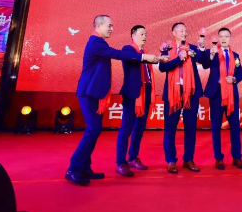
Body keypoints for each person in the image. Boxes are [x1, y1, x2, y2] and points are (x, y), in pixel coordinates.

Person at [66, 16, 159, 186]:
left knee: (95, 130)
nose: (111, 29)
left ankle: (84, 167)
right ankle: (74, 168)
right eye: (109, 26)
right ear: (99, 25)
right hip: (88, 92)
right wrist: (143, 57)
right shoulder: (96, 42)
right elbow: (117, 54)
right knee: (93, 129)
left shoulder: (99, 42)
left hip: (94, 92)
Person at [158, 22, 210, 173]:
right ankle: (171, 160)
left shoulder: (192, 48)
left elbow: (203, 61)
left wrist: (202, 48)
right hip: (172, 93)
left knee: (191, 127)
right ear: (173, 32)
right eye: (181, 30)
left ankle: (188, 159)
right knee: (170, 127)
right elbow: (162, 67)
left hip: (191, 92)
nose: (184, 33)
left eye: (185, 31)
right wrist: (178, 59)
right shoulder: (167, 48)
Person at [115, 25, 166, 177]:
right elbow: (132, 58)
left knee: (139, 128)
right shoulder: (128, 50)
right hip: (133, 95)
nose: (144, 36)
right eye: (141, 34)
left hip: (146, 93)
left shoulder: (144, 52)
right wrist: (147, 58)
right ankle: (121, 162)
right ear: (133, 35)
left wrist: (159, 58)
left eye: (146, 34)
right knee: (126, 129)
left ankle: (133, 157)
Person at [202, 27, 242, 170]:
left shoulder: (236, 55)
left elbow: (240, 74)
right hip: (216, 94)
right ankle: (218, 158)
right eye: (221, 36)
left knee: (235, 127)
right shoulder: (212, 51)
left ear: (230, 38)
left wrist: (234, 79)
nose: (223, 39)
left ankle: (237, 157)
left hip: (231, 95)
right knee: (216, 127)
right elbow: (205, 65)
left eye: (226, 36)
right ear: (218, 38)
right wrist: (210, 56)